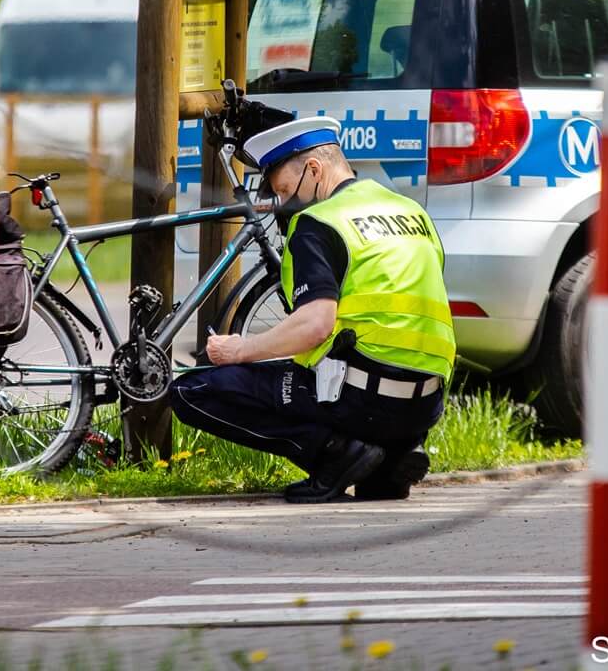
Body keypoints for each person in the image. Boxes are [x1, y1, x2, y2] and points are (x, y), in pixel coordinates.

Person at [171, 116, 454, 503]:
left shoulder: (319, 222)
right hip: (426, 405)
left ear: (315, 169)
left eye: (285, 190)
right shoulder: (410, 212)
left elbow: (315, 324)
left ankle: (336, 454)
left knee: (191, 390)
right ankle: (391, 458)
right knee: (344, 384)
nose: (283, 204)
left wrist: (240, 350)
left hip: (363, 399)